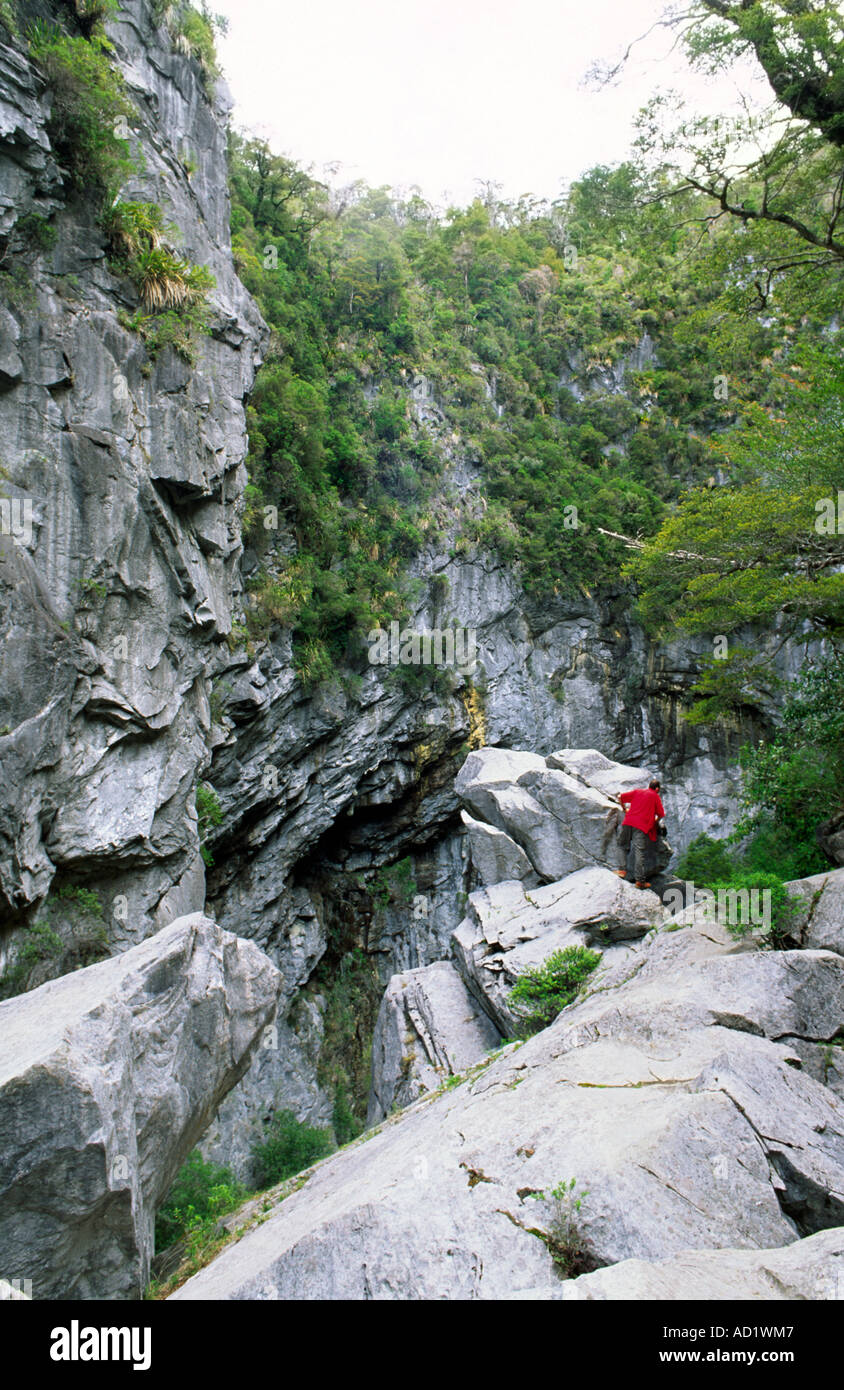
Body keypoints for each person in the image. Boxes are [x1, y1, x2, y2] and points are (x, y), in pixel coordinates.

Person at [614, 778, 666, 889]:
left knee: (622, 845)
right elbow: (661, 814)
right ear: (657, 789)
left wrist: (624, 809)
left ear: (649, 786)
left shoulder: (638, 791)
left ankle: (622, 870)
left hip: (628, 821)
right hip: (641, 827)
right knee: (639, 852)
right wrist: (655, 822)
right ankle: (640, 881)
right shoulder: (655, 796)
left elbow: (620, 797)